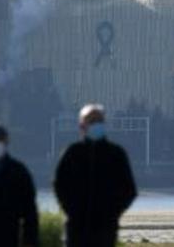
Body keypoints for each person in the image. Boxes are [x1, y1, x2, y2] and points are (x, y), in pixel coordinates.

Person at [54, 104, 138, 247]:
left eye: (98, 121)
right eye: (91, 121)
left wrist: (113, 213)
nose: (95, 124)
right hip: (76, 227)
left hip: (105, 229)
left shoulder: (116, 154)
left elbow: (129, 190)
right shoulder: (73, 153)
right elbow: (59, 184)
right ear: (82, 125)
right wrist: (71, 209)